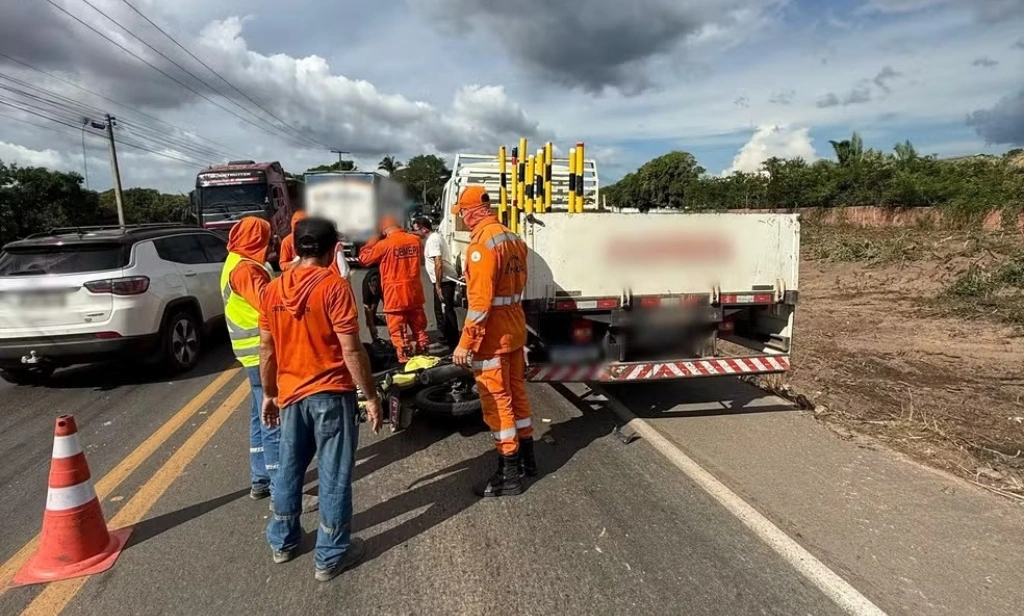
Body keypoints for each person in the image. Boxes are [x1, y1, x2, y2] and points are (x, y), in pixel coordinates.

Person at [258, 216, 383, 582]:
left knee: (290, 468)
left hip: (291, 394)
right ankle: (330, 555)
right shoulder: (333, 286)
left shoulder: (273, 289)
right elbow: (351, 349)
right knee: (334, 474)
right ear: (332, 251)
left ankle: (283, 541)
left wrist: (269, 394)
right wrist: (370, 395)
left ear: (296, 247)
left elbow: (266, 348)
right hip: (331, 395)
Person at [221, 218, 318, 513]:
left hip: (249, 353)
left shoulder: (236, 260)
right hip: (263, 352)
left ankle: (261, 479)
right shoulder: (246, 269)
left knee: (259, 416)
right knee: (275, 419)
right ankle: (281, 490)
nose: (272, 242)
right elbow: (270, 301)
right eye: (267, 237)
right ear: (256, 239)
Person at [450, 186, 536, 497]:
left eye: (461, 212)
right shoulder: (512, 238)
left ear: (471, 211)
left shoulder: (481, 245)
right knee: (516, 393)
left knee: (496, 401)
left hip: (492, 337)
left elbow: (480, 303)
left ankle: (508, 474)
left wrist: (465, 344)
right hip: (514, 329)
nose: (461, 218)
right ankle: (528, 459)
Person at [357, 216, 430, 363]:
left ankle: (405, 361)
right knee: (419, 329)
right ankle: (425, 354)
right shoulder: (415, 240)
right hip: (414, 293)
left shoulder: (384, 244)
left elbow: (363, 259)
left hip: (395, 296)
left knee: (399, 333)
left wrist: (373, 239)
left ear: (383, 230)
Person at [412, 217, 459, 352]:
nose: (415, 234)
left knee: (445, 312)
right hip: (442, 281)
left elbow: (438, 263)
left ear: (424, 229)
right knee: (440, 311)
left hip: (444, 282)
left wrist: (438, 285)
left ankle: (450, 343)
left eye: (416, 230)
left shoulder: (433, 240)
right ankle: (444, 339)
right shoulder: (433, 239)